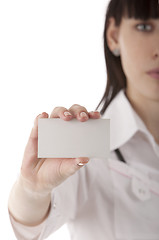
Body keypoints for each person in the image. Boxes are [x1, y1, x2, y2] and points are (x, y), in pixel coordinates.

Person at [8, 0, 159, 239]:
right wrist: (32, 189)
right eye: (143, 27)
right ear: (113, 36)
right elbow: (29, 225)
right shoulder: (83, 148)